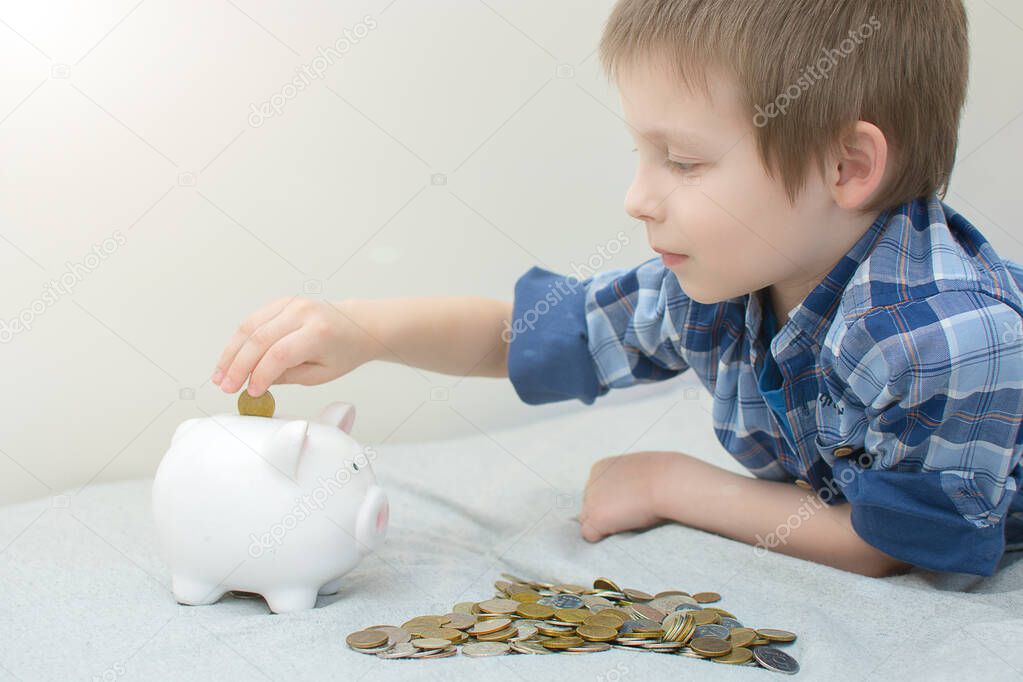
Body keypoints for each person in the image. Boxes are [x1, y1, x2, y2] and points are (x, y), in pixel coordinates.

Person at [212, 0, 1023, 578]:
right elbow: (519, 333)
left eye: (683, 161)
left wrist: (674, 483)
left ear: (846, 166)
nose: (637, 198)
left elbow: (893, 542)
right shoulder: (719, 283)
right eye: (641, 152)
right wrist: (365, 329)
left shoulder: (940, 339)